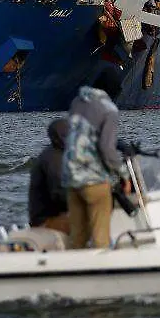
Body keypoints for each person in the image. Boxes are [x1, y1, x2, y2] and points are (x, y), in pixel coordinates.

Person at [62, 68, 129, 249]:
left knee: (77, 239)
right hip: (93, 180)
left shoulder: (77, 102)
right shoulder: (109, 110)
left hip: (70, 179)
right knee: (101, 238)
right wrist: (124, 174)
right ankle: (103, 275)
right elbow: (106, 149)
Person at [27, 117, 71, 233]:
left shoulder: (56, 154)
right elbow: (59, 194)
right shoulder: (54, 160)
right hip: (46, 221)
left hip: (52, 216)